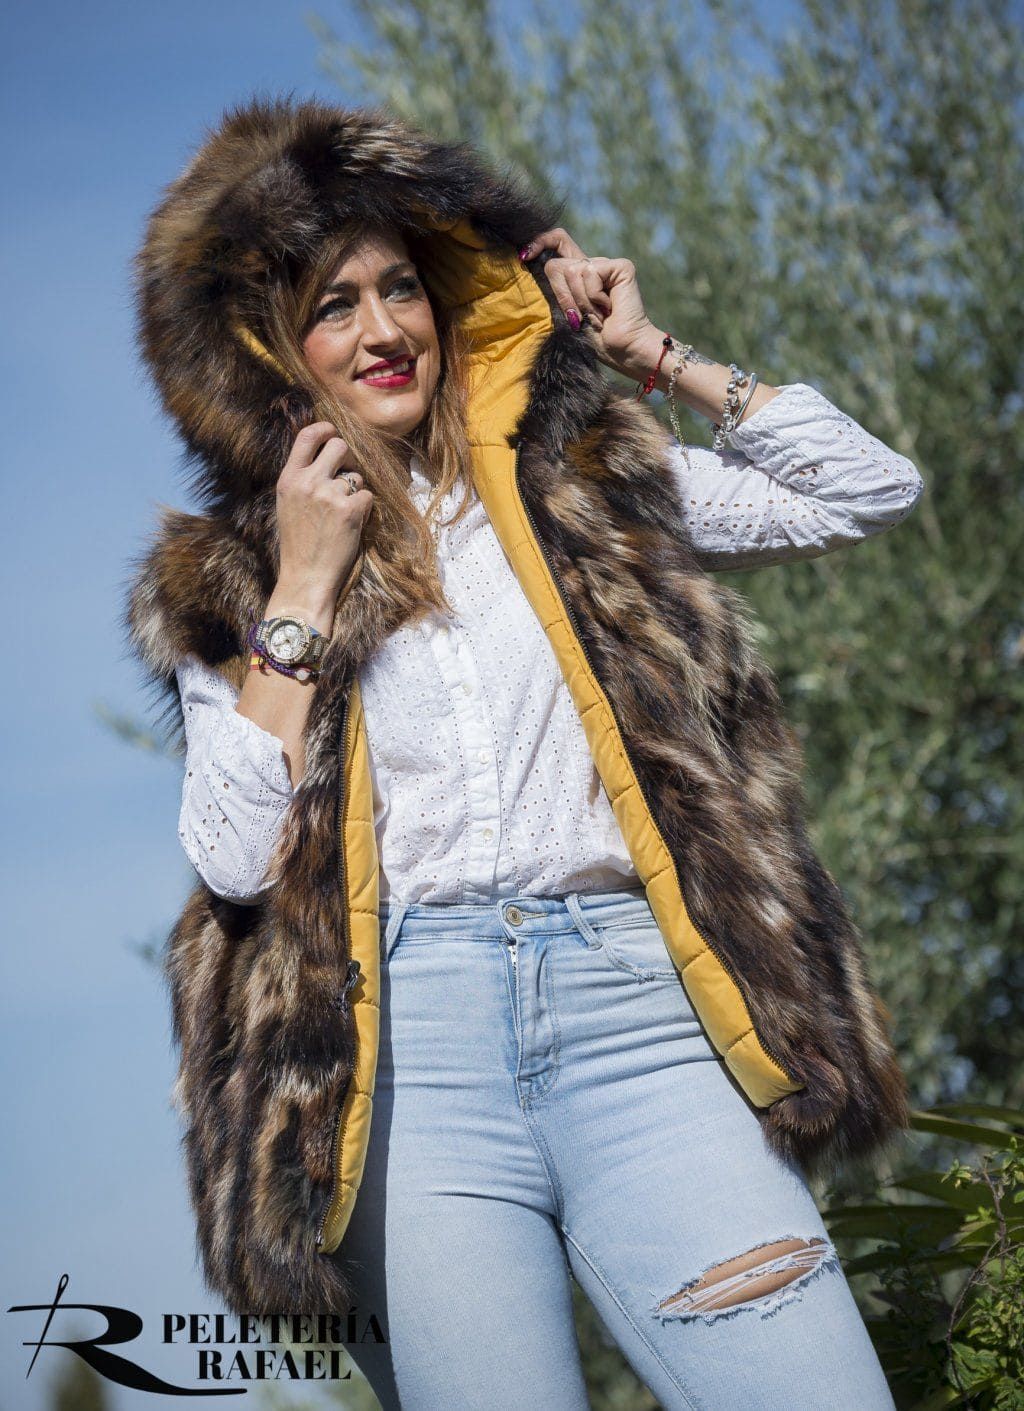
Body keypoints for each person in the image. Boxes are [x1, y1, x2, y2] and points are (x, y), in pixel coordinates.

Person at [124, 94, 924, 1410]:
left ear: (452, 300)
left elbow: (866, 486)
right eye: (334, 305)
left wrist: (647, 350)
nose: (382, 329)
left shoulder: (580, 487)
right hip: (411, 1058)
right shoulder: (225, 581)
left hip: (640, 1024)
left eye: (401, 289)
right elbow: (229, 854)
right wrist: (303, 595)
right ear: (272, 350)